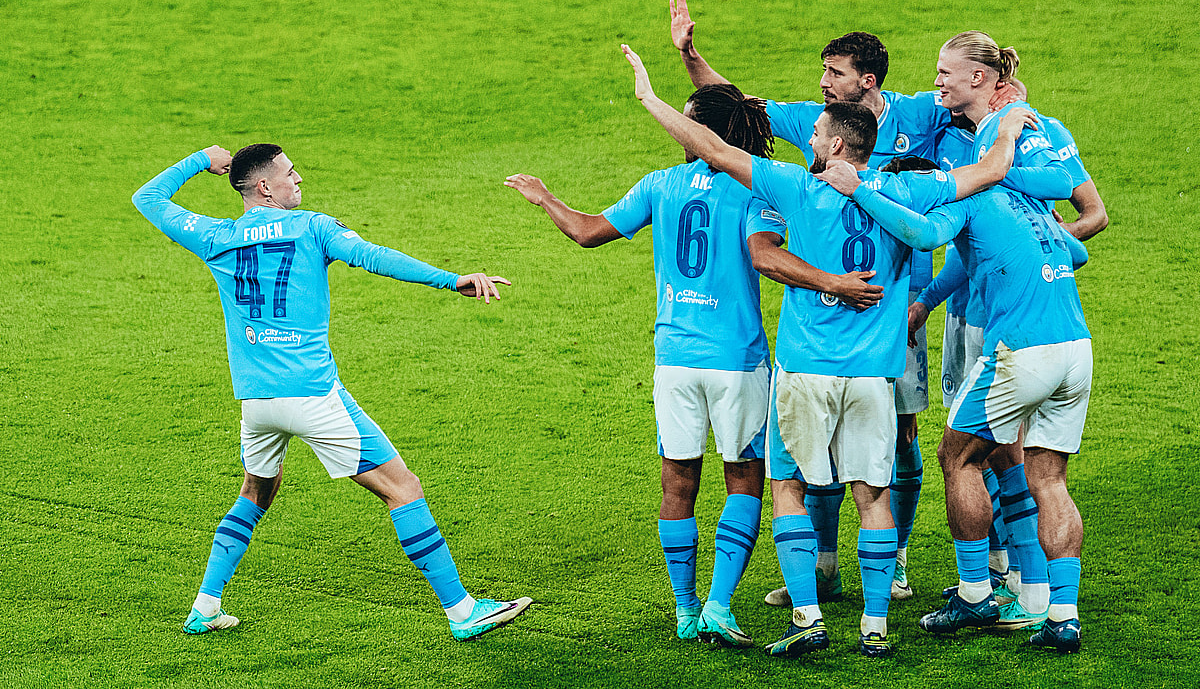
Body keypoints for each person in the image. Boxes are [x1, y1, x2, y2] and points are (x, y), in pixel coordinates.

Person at [620, 42, 1034, 658]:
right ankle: (876, 626)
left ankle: (808, 618)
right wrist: (1010, 119)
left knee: (787, 486)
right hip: (873, 375)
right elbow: (991, 171)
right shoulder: (908, 189)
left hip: (805, 370)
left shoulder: (797, 188)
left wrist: (650, 99)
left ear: (837, 144)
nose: (807, 138)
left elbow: (715, 149)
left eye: (815, 133)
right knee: (873, 493)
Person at [506, 84, 883, 648]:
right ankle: (718, 606)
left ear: (705, 132)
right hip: (737, 361)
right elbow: (767, 254)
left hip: (674, 361)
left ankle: (685, 610)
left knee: (678, 481)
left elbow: (587, 232)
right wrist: (832, 281)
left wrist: (546, 198)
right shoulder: (755, 187)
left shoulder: (660, 184)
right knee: (745, 481)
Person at [132, 144, 530, 641]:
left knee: (256, 491)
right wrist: (451, 281)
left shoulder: (216, 236)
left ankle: (205, 606)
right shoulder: (313, 228)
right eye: (289, 173)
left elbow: (147, 198)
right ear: (265, 187)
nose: (298, 179)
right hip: (313, 395)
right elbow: (373, 256)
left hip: (257, 402)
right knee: (403, 488)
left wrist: (199, 160)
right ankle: (462, 611)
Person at [825, 31, 1093, 654]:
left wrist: (860, 190)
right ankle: (1060, 612)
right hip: (1075, 348)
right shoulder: (1029, 197)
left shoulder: (972, 189)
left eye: (947, 72)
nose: (937, 81)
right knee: (1048, 477)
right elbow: (1076, 249)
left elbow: (924, 235)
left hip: (1019, 350)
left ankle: (975, 594)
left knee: (957, 456)